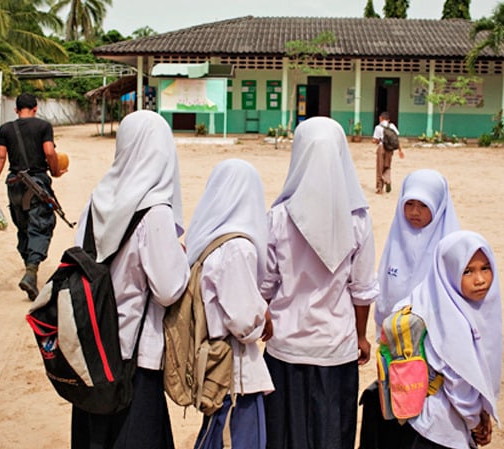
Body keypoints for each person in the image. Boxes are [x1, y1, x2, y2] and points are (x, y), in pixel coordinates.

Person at [70, 110, 190, 449]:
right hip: (135, 362)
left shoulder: (96, 202)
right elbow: (168, 290)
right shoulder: (154, 212)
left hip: (94, 355)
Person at [259, 116, 379, 449]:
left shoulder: (279, 218)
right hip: (336, 346)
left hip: (285, 346)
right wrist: (361, 336)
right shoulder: (358, 219)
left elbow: (266, 285)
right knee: (331, 436)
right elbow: (362, 289)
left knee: (283, 435)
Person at [382, 230, 502, 449]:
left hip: (417, 419)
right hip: (442, 428)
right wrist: (476, 422)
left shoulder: (426, 297)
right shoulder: (452, 319)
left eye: (485, 268)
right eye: (467, 271)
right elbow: (460, 386)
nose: (480, 280)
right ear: (449, 271)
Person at [185, 159, 274, 449]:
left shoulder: (207, 240)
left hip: (213, 365)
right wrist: (265, 315)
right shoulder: (238, 247)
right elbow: (244, 323)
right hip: (235, 376)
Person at [0, 93, 65, 300]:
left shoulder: (5, 129)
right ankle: (31, 272)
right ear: (36, 108)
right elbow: (49, 152)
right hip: (37, 183)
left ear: (16, 110)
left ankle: (29, 268)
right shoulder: (43, 127)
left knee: (23, 226)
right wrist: (55, 171)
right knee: (41, 225)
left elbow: (0, 156)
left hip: (14, 184)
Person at [374, 168, 460, 327]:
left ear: (439, 205)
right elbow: (385, 288)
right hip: (396, 337)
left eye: (423, 205)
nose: (414, 212)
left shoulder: (451, 247)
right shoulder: (396, 239)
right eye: (409, 203)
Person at [372, 112, 404, 194]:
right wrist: (400, 150)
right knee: (387, 166)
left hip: (381, 147)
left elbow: (375, 140)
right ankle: (388, 179)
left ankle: (380, 188)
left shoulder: (378, 127)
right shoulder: (392, 126)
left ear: (380, 118)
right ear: (388, 119)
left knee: (380, 168)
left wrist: (376, 140)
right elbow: (397, 139)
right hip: (390, 149)